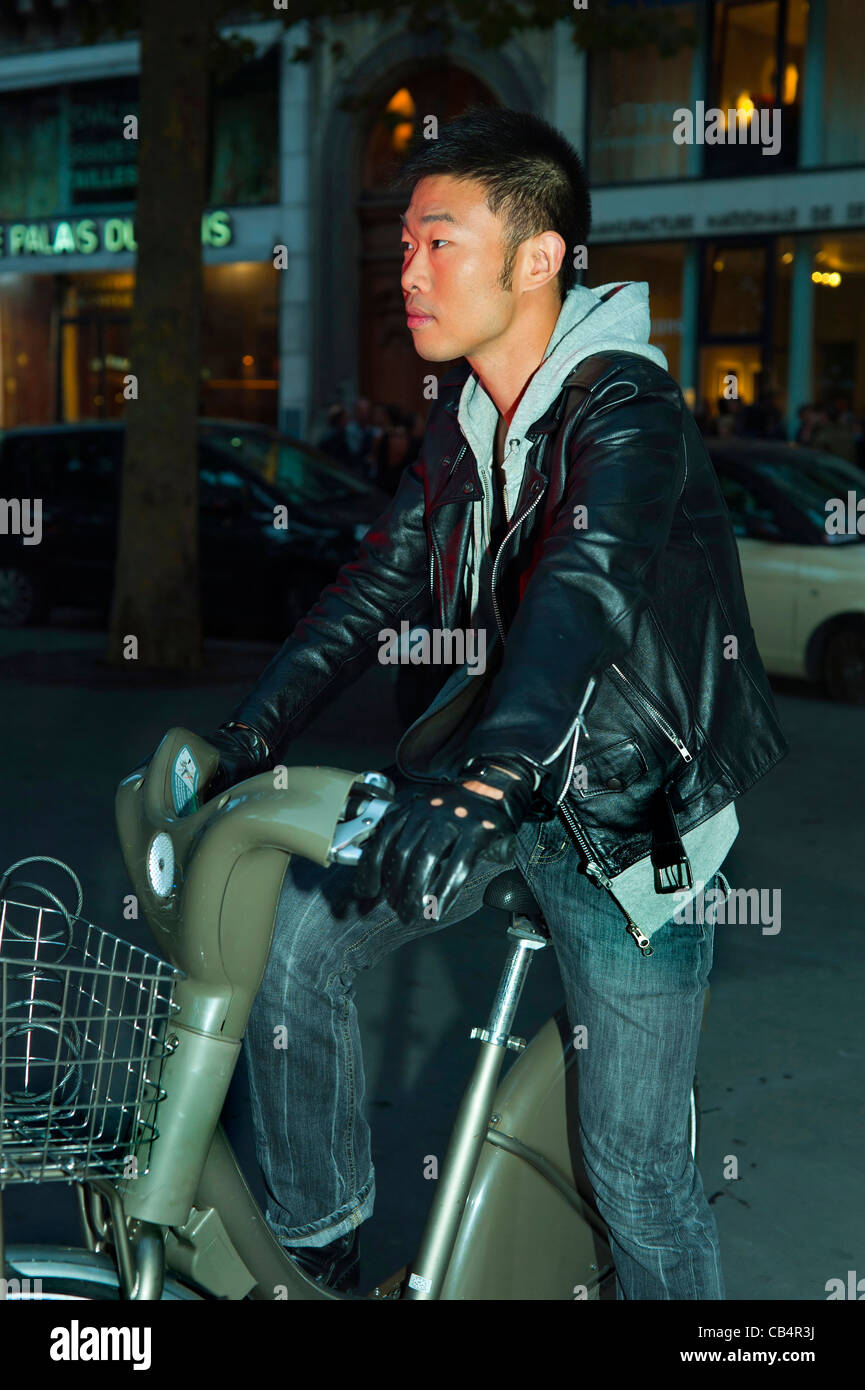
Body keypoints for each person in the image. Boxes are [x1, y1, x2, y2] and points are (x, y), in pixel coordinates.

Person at [169, 106, 788, 1297]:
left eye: (438, 241)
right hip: (495, 787)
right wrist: (245, 734)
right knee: (296, 939)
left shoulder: (627, 411)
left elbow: (581, 589)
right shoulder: (468, 424)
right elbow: (371, 587)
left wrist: (491, 774)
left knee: (635, 1178)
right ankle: (318, 1241)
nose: (407, 270)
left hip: (624, 823)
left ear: (538, 255)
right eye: (403, 244)